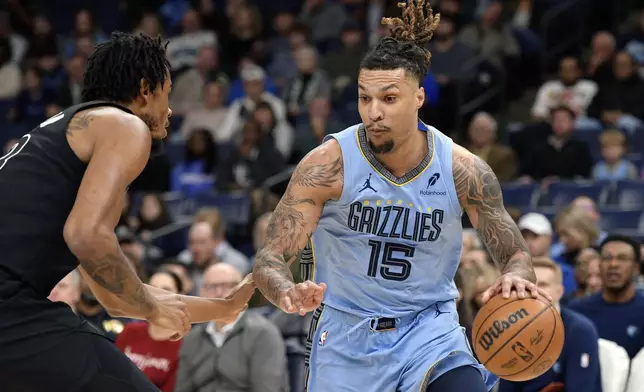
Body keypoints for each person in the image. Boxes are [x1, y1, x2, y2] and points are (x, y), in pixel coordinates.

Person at [252, 2, 548, 391]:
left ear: (419, 97)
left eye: (389, 98)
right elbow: (269, 258)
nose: (373, 112)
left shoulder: (463, 170)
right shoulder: (327, 165)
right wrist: (287, 291)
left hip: (429, 329)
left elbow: (516, 253)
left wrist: (514, 276)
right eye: (364, 98)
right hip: (347, 336)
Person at [0, 32, 255, 392]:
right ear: (145, 90)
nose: (169, 110)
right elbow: (86, 236)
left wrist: (222, 307)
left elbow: (114, 296)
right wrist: (153, 309)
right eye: (167, 92)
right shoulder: (126, 126)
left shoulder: (69, 135)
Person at [499, 257, 602, 392]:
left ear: (559, 292)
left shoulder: (579, 330)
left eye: (543, 284)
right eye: (529, 284)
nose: (535, 290)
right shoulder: (513, 330)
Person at [569, 235, 644, 358]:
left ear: (636, 267)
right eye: (607, 258)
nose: (613, 264)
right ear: (599, 265)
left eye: (622, 258)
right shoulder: (577, 311)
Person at [116, 269, 186, 392]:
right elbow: (111, 373)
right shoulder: (130, 331)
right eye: (152, 289)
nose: (157, 296)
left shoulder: (186, 343)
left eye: (166, 290)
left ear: (180, 297)